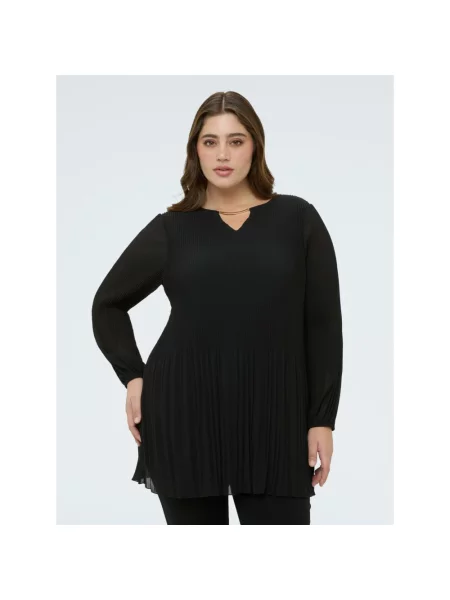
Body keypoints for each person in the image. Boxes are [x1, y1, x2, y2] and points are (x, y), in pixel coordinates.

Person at [91, 90, 343, 525]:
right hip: (184, 412)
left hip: (276, 418)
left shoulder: (298, 220)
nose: (222, 154)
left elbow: (323, 325)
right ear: (196, 150)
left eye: (235, 141)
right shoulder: (172, 229)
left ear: (255, 147)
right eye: (210, 142)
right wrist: (132, 375)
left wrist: (322, 418)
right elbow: (107, 304)